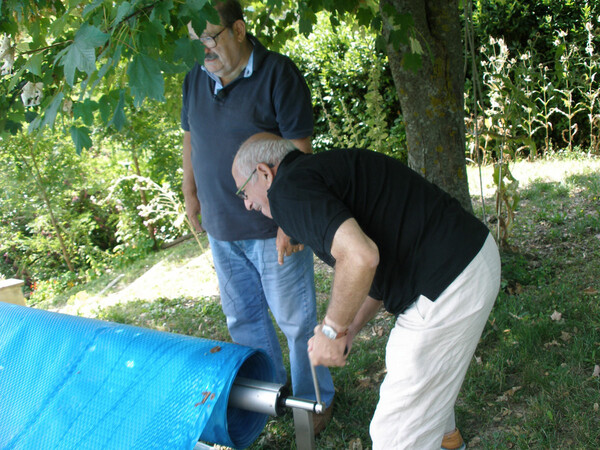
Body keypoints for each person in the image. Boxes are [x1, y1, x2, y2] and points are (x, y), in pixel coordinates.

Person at [232, 133, 501, 450]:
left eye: (243, 190)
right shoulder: (320, 173)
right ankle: (447, 439)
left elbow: (360, 258)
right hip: (467, 259)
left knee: (393, 436)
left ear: (265, 173)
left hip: (451, 281)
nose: (248, 204)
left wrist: (331, 331)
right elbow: (372, 268)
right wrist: (350, 329)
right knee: (406, 359)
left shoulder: (287, 192)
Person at [180, 0, 335, 432]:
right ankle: (273, 399)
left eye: (209, 38)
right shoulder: (194, 78)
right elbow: (191, 137)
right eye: (196, 41)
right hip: (221, 228)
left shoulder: (278, 74)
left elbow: (300, 152)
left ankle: (313, 404)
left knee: (296, 321)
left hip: (272, 230)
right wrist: (190, 191)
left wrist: (290, 219)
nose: (203, 50)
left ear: (239, 29)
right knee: (243, 320)